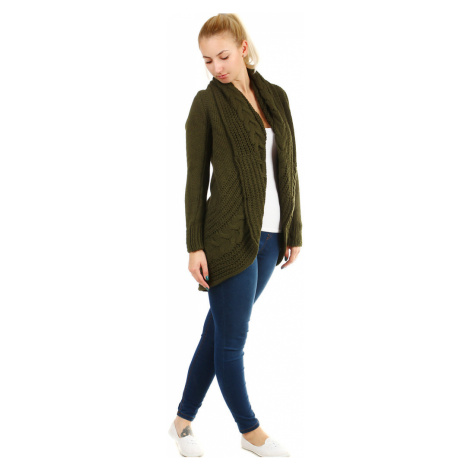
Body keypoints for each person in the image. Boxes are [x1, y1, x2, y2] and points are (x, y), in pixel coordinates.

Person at [168, 13, 302, 457]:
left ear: (243, 47)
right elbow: (195, 180)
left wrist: (294, 228)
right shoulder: (207, 104)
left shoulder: (276, 97)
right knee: (231, 343)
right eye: (207, 61)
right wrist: (194, 245)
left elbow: (289, 169)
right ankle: (251, 433)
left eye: (223, 56)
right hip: (227, 239)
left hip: (270, 239)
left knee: (217, 334)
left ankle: (181, 424)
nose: (217, 68)